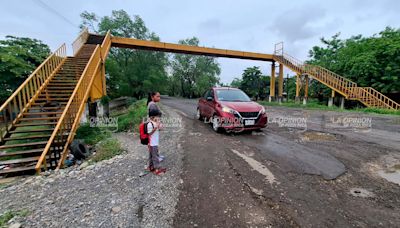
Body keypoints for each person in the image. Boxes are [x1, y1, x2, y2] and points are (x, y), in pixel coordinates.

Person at [147, 109, 166, 175]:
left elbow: (161, 129)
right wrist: (155, 128)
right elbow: (149, 134)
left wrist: (159, 124)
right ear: (152, 117)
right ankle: (157, 169)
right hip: (152, 143)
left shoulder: (155, 123)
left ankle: (150, 167)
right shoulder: (150, 124)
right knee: (155, 156)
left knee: (151, 156)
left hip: (154, 143)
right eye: (157, 117)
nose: (158, 118)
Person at [147, 91, 165, 162]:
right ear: (152, 97)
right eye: (157, 96)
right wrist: (158, 124)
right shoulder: (152, 105)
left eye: (159, 96)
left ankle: (156, 155)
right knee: (153, 142)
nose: (159, 98)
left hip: (154, 124)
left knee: (155, 141)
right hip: (153, 125)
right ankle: (155, 158)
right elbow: (153, 116)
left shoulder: (152, 104)